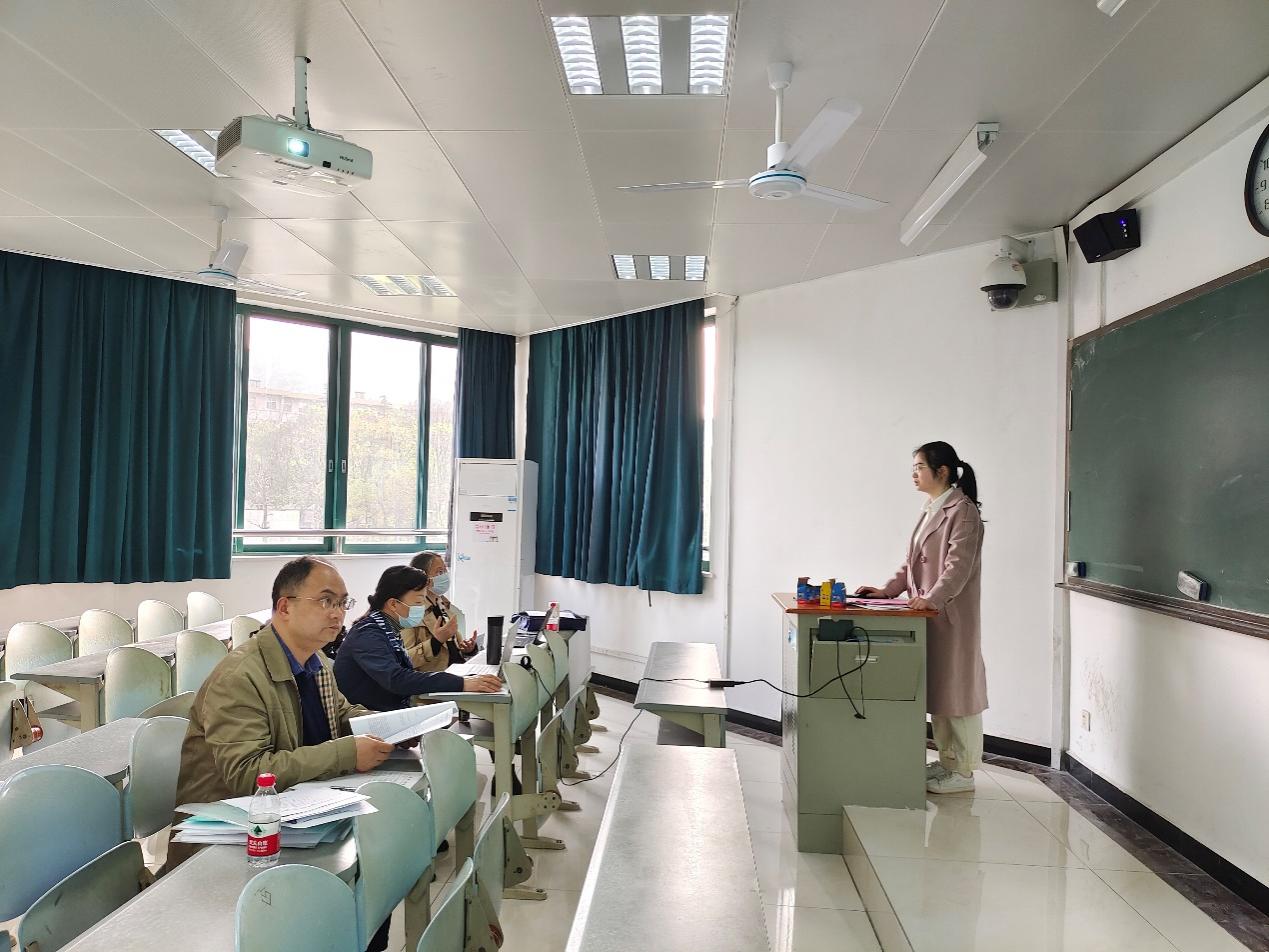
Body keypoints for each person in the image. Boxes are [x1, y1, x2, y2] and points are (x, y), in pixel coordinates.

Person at [856, 441, 986, 795]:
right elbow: (911, 563)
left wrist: (931, 599)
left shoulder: (963, 512)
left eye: (919, 467)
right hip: (928, 615)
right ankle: (947, 762)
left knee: (958, 695)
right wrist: (888, 590)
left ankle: (964, 772)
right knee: (941, 693)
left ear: (941, 471)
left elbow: (957, 569)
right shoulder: (932, 508)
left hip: (950, 615)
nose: (914, 474)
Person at [334, 565, 502, 711]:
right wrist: (461, 683)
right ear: (393, 604)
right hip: (370, 719)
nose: (421, 609)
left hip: (389, 710)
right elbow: (397, 679)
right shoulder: (367, 633)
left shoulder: (388, 628)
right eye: (418, 603)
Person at [400, 551, 479, 672]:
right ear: (423, 578)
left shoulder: (443, 605)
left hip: (458, 671)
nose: (444, 576)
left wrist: (468, 649)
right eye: (439, 572)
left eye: (445, 571)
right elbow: (404, 660)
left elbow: (454, 649)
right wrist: (435, 642)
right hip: (434, 678)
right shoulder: (409, 611)